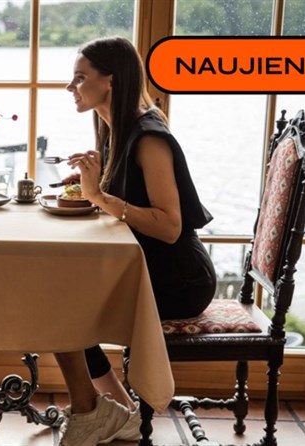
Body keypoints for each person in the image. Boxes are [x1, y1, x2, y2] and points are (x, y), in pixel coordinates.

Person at [53, 36, 216, 446]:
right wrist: (91, 181)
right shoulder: (116, 127)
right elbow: (129, 195)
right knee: (57, 295)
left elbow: (170, 227)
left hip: (180, 280)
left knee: (61, 306)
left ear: (110, 81)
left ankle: (104, 411)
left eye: (80, 78)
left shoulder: (148, 137)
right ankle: (118, 411)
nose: (70, 87)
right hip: (146, 269)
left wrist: (99, 196)